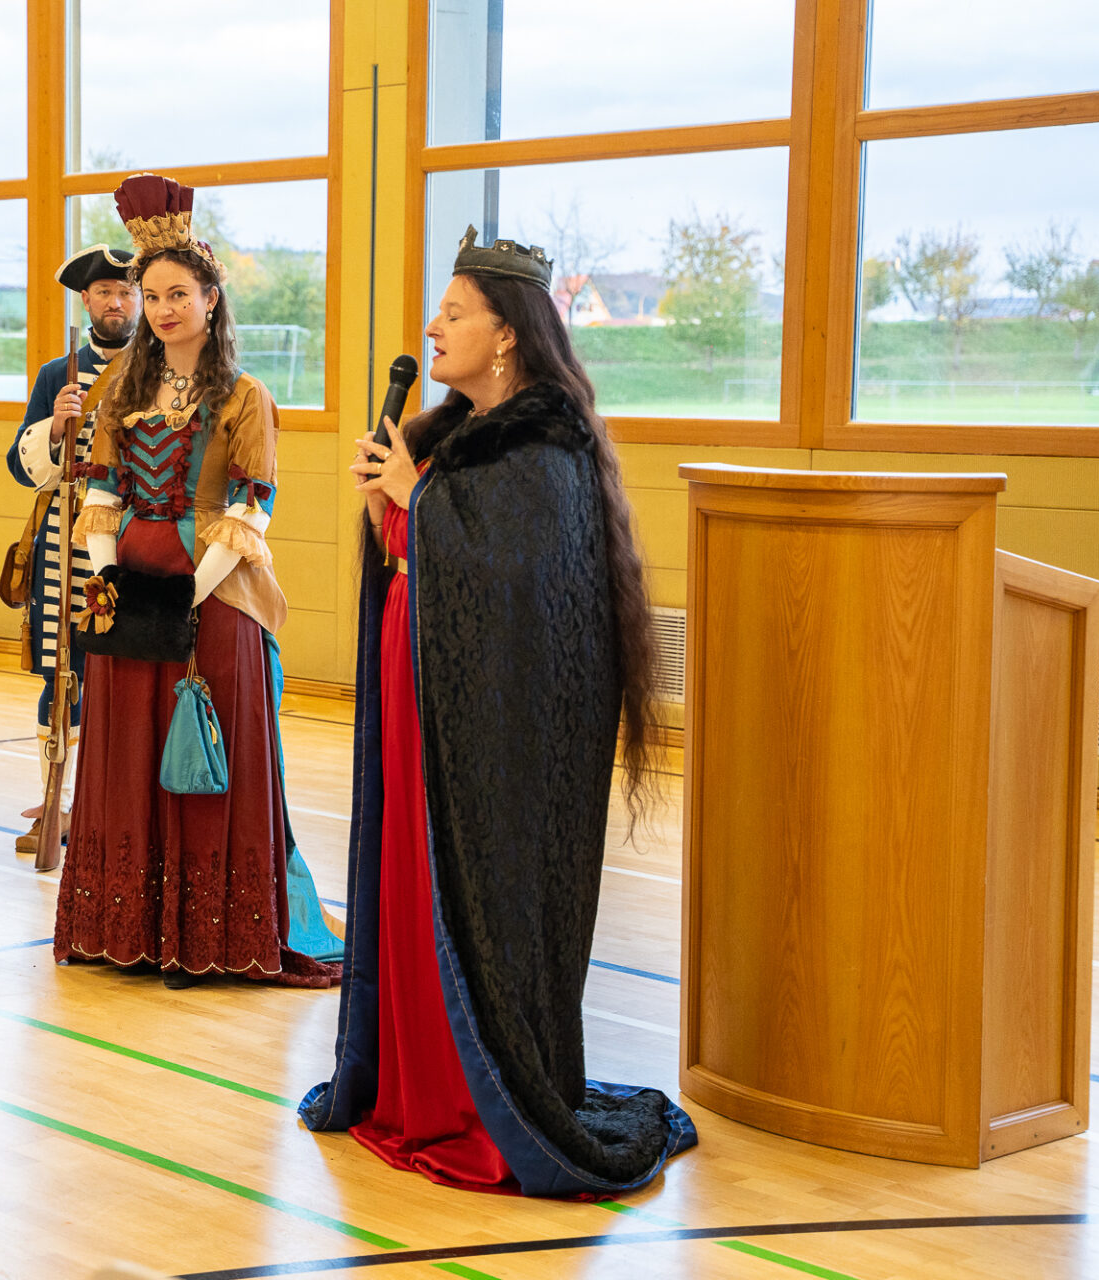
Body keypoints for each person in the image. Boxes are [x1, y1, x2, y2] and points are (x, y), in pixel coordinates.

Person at [300, 227, 696, 1196]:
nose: (432, 329)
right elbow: (426, 556)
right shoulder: (450, 438)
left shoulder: (545, 448)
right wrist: (394, 510)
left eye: (453, 313)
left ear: (507, 334)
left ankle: (476, 1104)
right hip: (421, 697)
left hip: (490, 729)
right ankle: (409, 1083)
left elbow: (522, 587)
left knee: (466, 888)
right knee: (410, 879)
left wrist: (419, 500)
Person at [53, 173, 339, 990]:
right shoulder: (122, 390)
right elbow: (103, 494)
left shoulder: (247, 397)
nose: (162, 309)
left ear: (212, 300)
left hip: (215, 600)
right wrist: (108, 581)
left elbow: (251, 510)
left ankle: (205, 938)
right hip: (129, 596)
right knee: (127, 759)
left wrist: (189, 592)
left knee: (202, 764)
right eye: (151, 296)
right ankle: (132, 932)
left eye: (179, 293)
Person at [5, 243, 137, 854]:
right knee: (61, 675)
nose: (117, 302)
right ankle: (58, 801)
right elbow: (21, 467)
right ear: (87, 300)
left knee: (127, 674)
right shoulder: (55, 374)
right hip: (64, 541)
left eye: (127, 292)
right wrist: (55, 426)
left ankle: (111, 806)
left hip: (129, 541)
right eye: (106, 292)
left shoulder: (159, 369)